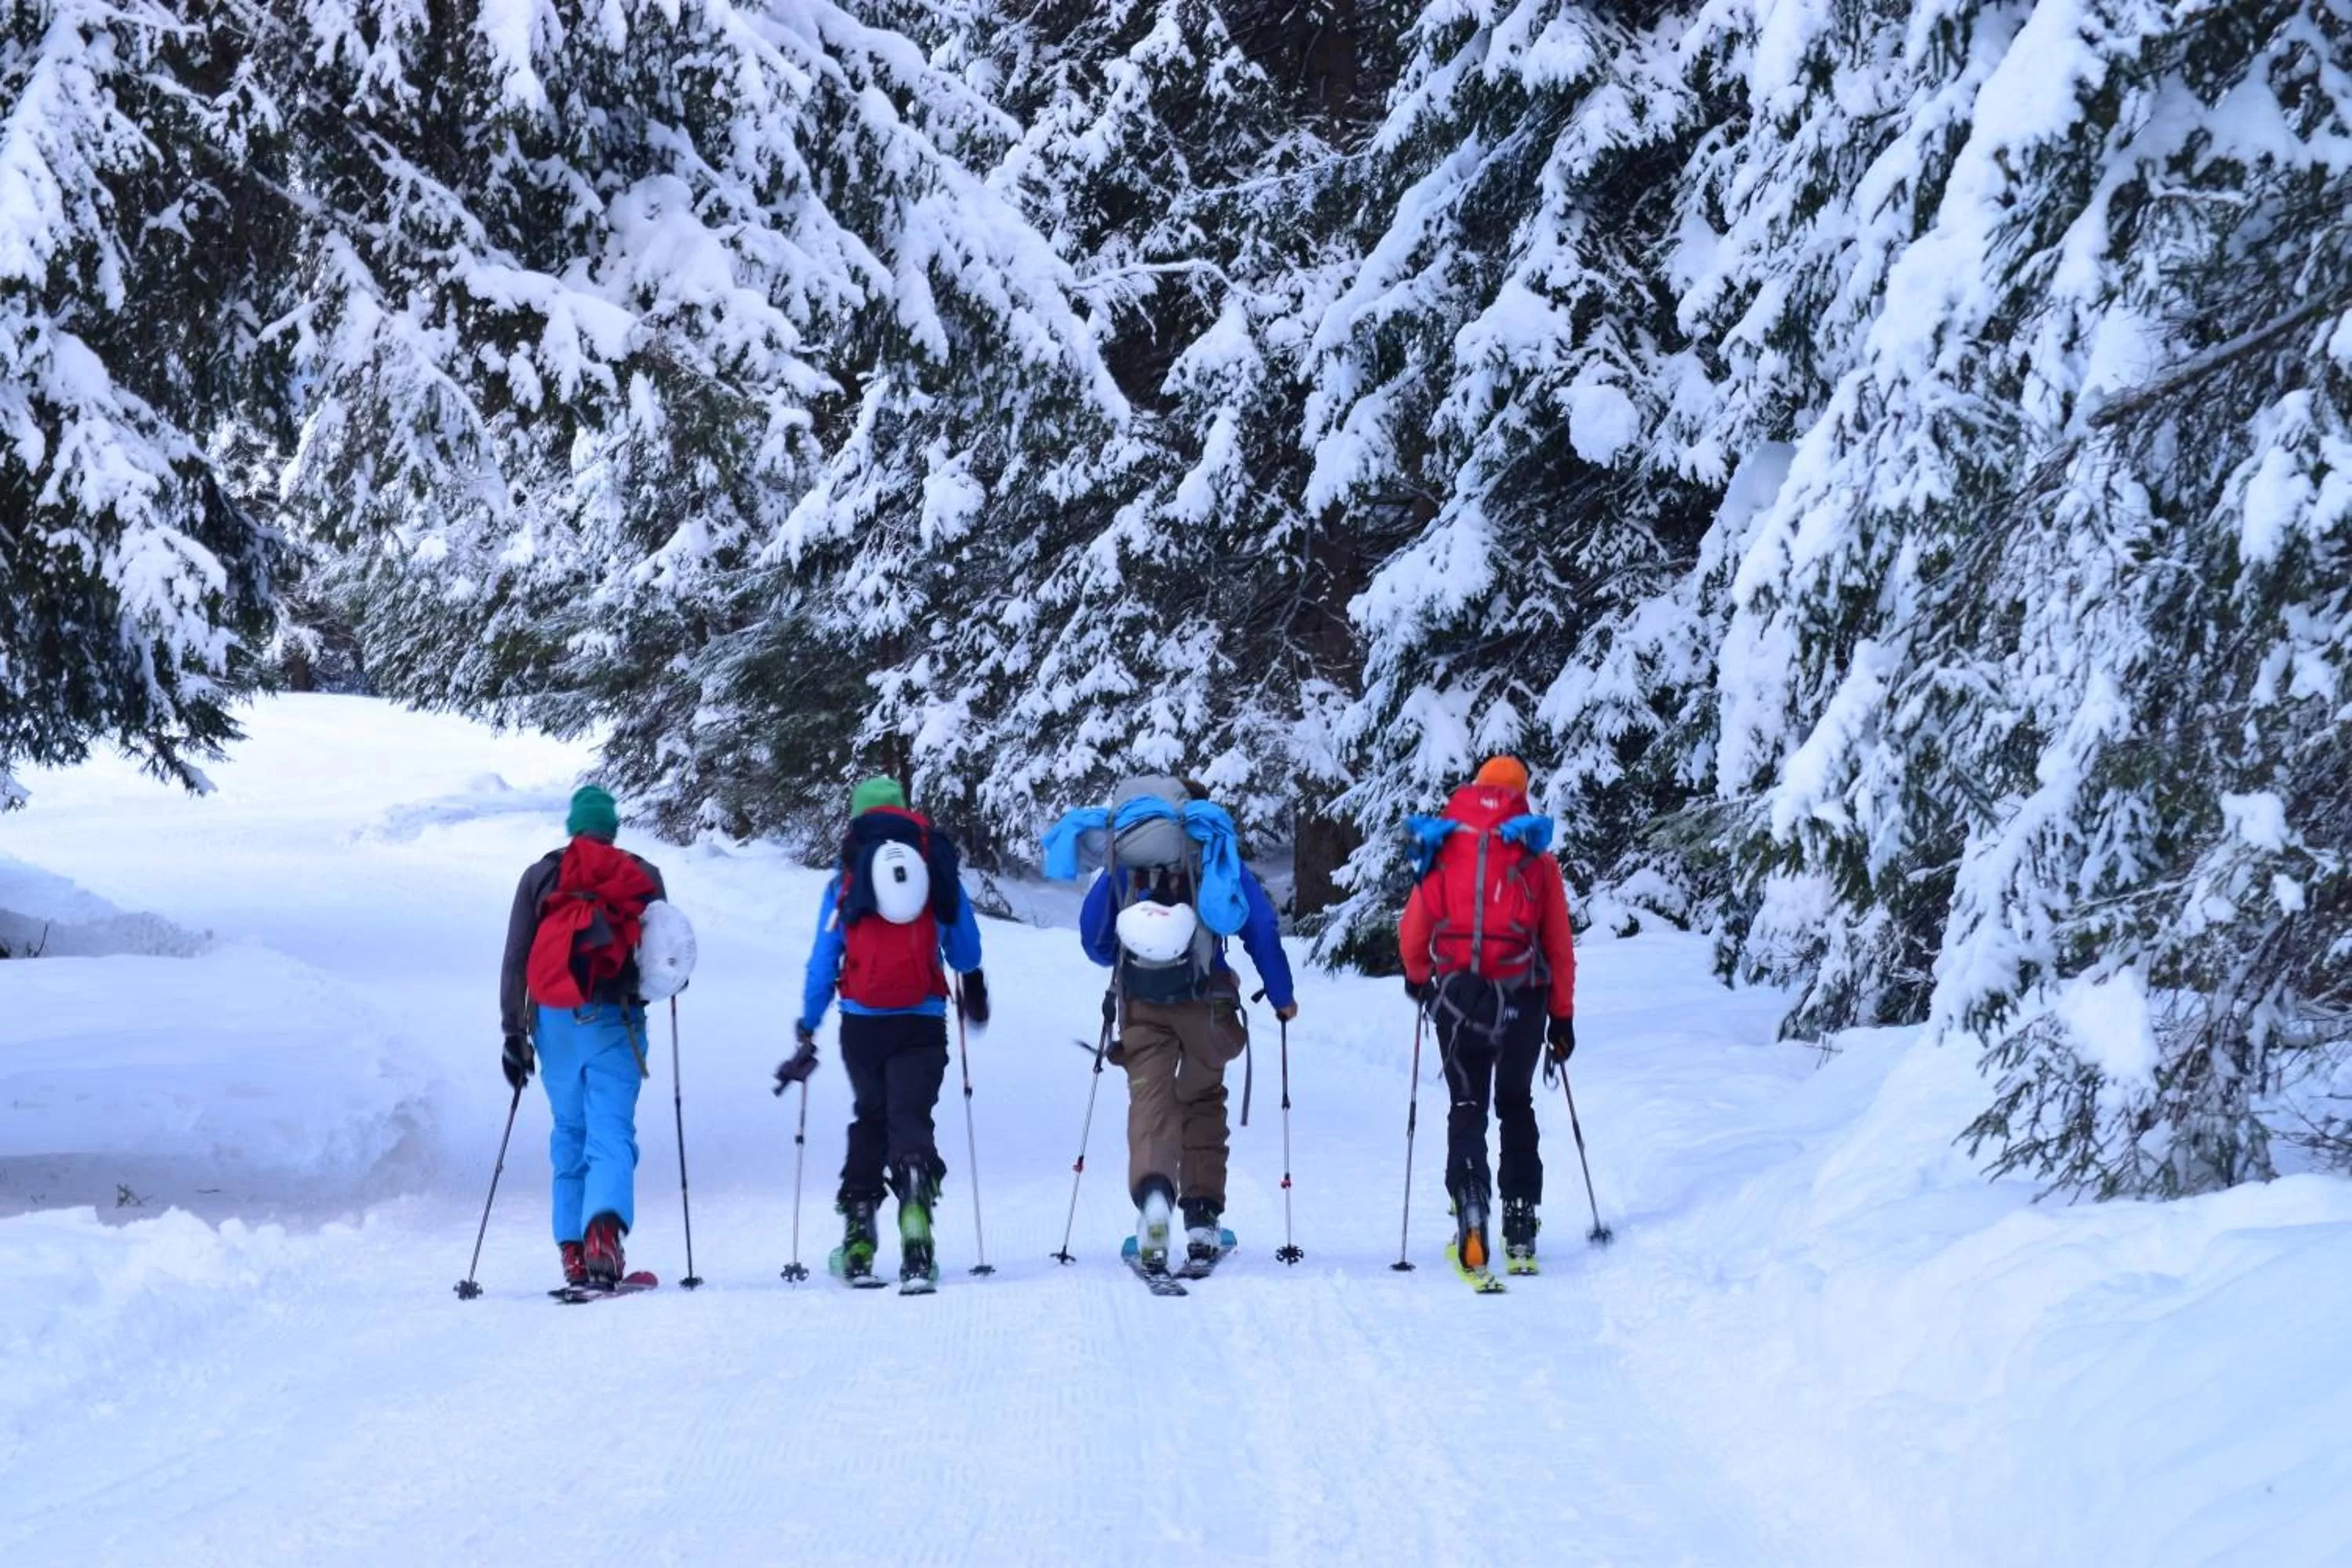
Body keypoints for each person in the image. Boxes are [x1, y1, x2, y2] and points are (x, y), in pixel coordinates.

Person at [1076, 776, 1296, 1274]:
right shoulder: (1213, 851)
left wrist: (1125, 954)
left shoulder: (1128, 858)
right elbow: (1258, 924)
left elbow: (1094, 938)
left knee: (1150, 1102)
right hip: (1206, 1002)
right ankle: (1201, 1222)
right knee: (1200, 1099)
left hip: (1141, 1000)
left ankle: (1154, 1201)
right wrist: (1281, 996)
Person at [777, 777, 988, 1290]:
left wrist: (809, 1023)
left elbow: (823, 961)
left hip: (862, 1023)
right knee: (910, 1117)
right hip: (922, 1018)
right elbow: (965, 952)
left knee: (871, 1118)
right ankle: (917, 1228)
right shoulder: (933, 869)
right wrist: (973, 985)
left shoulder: (846, 879)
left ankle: (858, 1242)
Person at [1396, 756, 1576, 1280]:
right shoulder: (1536, 856)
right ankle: (1521, 1218)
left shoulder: (1444, 846)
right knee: (1516, 1102)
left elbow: (1414, 927)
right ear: (1522, 792)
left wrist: (1417, 978)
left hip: (1457, 999)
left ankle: (1471, 1206)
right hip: (1524, 998)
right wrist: (1561, 1018)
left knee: (1467, 1102)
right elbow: (1559, 947)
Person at [499, 785, 669, 1290]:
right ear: (613, 827)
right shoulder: (642, 874)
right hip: (615, 1019)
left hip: (553, 1023)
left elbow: (516, 958)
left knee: (569, 1134)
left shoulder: (540, 875)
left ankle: (574, 1254)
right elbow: (665, 955)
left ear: (573, 826)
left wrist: (513, 1032)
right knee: (611, 1133)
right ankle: (604, 1237)